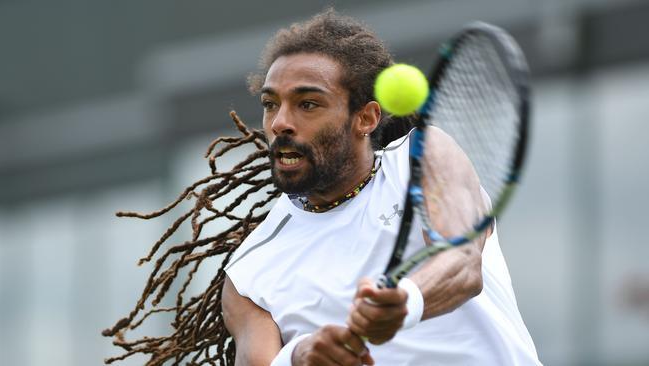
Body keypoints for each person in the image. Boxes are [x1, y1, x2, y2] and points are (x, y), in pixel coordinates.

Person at [223, 9, 541, 366]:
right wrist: (299, 357)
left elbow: (462, 263)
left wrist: (406, 301)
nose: (280, 122)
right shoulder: (248, 270)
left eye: (307, 104)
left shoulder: (422, 158)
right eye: (270, 104)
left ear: (366, 118)